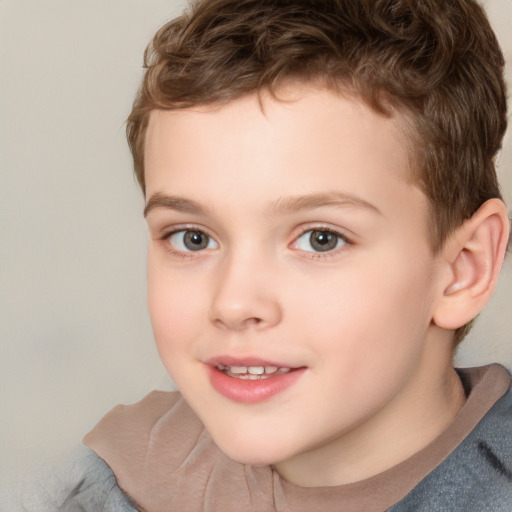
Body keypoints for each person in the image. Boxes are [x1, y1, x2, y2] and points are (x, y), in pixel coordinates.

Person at [19, 0, 512, 510]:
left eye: (321, 239)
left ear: (462, 269)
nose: (233, 304)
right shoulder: (95, 482)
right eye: (193, 237)